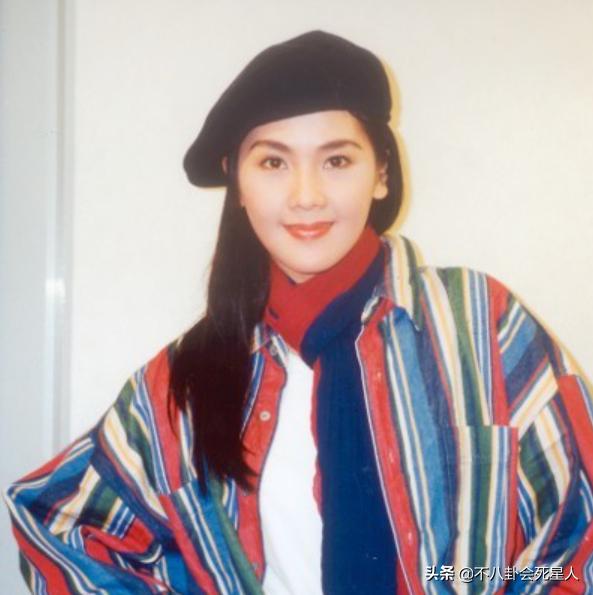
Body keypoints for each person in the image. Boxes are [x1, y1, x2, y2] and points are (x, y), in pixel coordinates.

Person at [4, 30, 593, 595]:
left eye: (337, 161)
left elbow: (579, 539)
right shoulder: (182, 383)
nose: (306, 195)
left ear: (381, 174)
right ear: (237, 182)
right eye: (273, 163)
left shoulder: (480, 326)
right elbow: (62, 526)